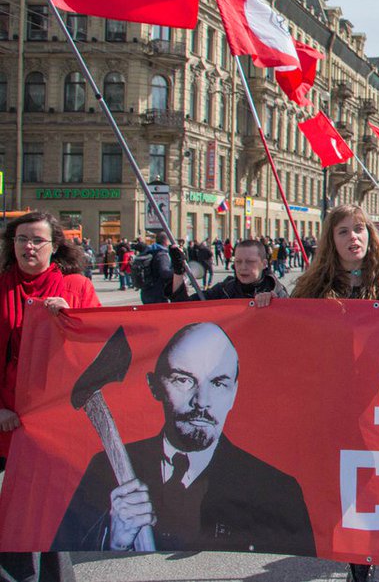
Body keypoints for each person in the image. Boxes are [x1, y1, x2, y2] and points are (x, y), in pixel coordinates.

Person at [54, 321, 315, 556]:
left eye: (218, 383)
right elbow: (66, 560)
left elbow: (298, 568)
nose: (201, 401)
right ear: (154, 386)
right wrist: (115, 541)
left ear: (234, 393)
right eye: (184, 380)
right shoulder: (105, 471)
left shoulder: (275, 489)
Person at [283, 205, 379, 582]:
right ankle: (354, 553)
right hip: (331, 400)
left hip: (374, 401)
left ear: (371, 236)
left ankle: (362, 557)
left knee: (369, 477)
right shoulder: (311, 289)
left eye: (359, 229)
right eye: (343, 231)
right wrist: (266, 308)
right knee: (338, 478)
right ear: (331, 240)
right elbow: (290, 332)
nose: (353, 238)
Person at [0, 212, 100, 581]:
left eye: (37, 240)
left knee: (47, 513)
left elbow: (100, 347)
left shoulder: (76, 288)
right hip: (6, 418)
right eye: (21, 239)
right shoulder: (0, 287)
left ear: (54, 246)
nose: (28, 246)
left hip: (52, 423)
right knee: (13, 511)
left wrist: (73, 320)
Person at [167, 239, 287, 304]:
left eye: (250, 262)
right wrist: (178, 270)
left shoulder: (277, 290)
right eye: (238, 261)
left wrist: (273, 303)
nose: (243, 267)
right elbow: (183, 306)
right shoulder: (224, 290)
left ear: (264, 264)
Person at [137, 232, 174, 305]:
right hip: (158, 292)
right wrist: (177, 271)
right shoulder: (162, 254)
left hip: (146, 290)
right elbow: (165, 273)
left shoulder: (149, 251)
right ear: (166, 241)